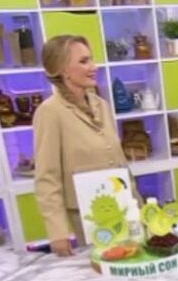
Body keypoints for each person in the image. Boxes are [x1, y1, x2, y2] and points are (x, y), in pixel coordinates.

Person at [33, 34, 131, 257]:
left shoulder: (101, 105)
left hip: (121, 207)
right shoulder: (50, 112)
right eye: (84, 61)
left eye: (91, 59)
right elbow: (47, 178)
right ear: (63, 70)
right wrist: (58, 233)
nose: (94, 67)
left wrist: (139, 207)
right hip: (87, 217)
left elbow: (120, 162)